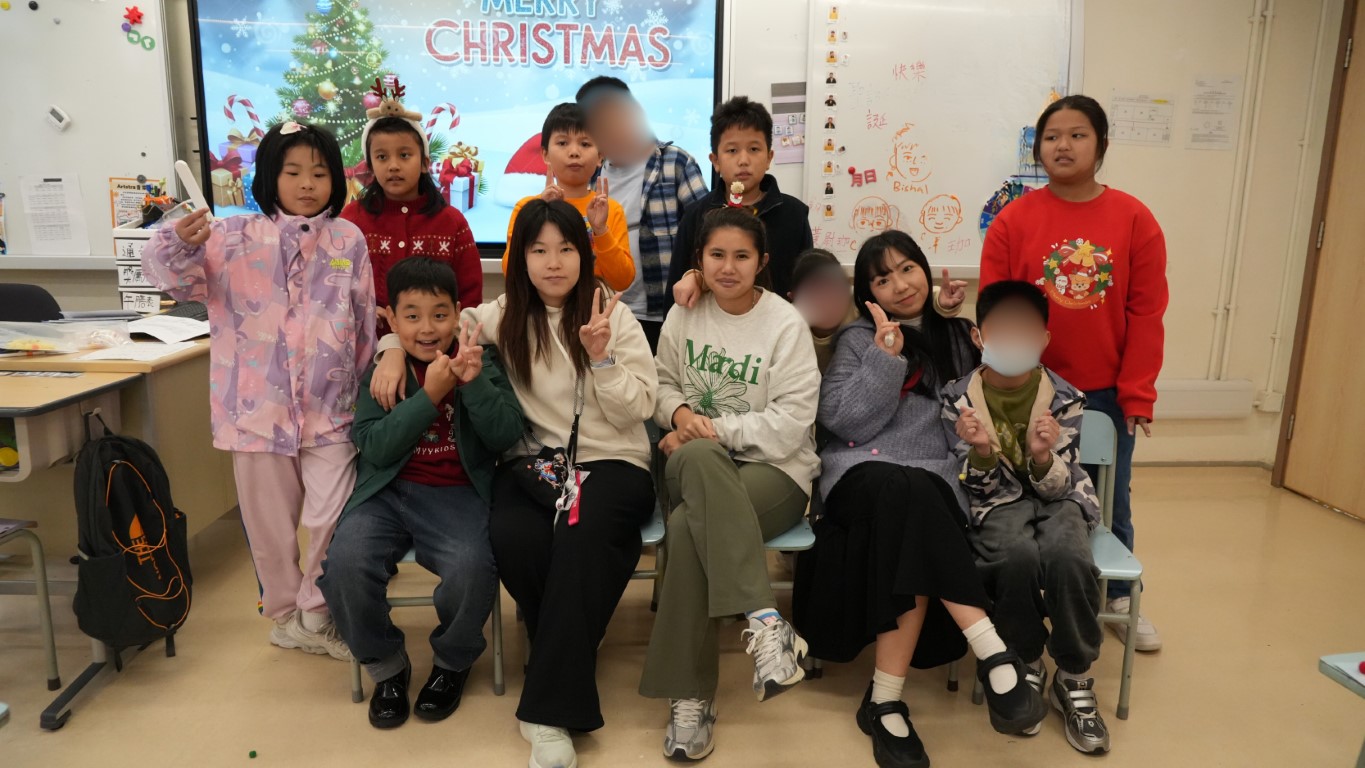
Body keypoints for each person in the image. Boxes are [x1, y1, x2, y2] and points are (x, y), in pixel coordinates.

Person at [793, 232, 1044, 768]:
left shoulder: (959, 337)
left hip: (933, 482)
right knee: (905, 489)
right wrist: (886, 358)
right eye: (882, 279)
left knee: (915, 498)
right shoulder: (858, 339)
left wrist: (976, 447)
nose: (900, 285)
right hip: (861, 477)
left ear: (925, 271)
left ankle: (885, 702)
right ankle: (991, 649)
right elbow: (845, 423)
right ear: (868, 294)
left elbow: (975, 418)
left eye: (907, 269)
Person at [141, 121, 375, 660]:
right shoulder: (230, 237)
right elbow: (169, 279)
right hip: (255, 413)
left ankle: (318, 610)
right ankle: (287, 616)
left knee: (333, 514)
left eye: (320, 172)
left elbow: (363, 318)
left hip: (331, 411)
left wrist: (359, 386)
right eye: (293, 172)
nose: (307, 183)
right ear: (270, 176)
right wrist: (177, 242)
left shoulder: (348, 239)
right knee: (269, 530)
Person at [470, 199, 657, 768]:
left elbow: (639, 409)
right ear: (520, 258)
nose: (553, 263)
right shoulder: (504, 314)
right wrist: (387, 349)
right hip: (536, 467)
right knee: (514, 535)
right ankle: (571, 639)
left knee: (579, 534)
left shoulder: (613, 315)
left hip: (614, 462)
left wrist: (601, 359)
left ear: (584, 254)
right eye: (539, 250)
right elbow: (438, 327)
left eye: (567, 249)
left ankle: (546, 713)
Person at [979, 94, 1168, 651]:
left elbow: (1147, 313)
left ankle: (1117, 596)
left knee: (1107, 497)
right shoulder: (1014, 220)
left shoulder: (1134, 219)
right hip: (1026, 387)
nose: (1063, 145)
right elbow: (994, 308)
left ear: (1101, 145)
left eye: (1078, 134)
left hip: (1104, 393)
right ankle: (1028, 590)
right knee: (1023, 493)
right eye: (1052, 136)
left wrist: (1137, 394)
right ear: (1038, 148)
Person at [640, 208, 819, 761]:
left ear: (762, 262)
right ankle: (765, 621)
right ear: (699, 259)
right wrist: (680, 417)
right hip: (691, 460)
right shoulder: (685, 313)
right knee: (698, 461)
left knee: (685, 528)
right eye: (716, 254)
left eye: (742, 256)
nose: (728, 267)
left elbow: (791, 423)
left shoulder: (785, 323)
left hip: (775, 470)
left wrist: (710, 430)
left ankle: (691, 698)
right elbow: (661, 383)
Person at [317, 258, 523, 730]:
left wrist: (473, 384)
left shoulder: (480, 360)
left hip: (457, 493)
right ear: (392, 319)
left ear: (458, 314)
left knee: (473, 567)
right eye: (412, 316)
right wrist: (427, 397)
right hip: (386, 493)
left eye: (440, 314)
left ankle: (452, 662)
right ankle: (387, 666)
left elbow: (506, 434)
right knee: (345, 565)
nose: (427, 328)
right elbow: (373, 445)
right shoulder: (384, 371)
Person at [941, 279, 1108, 754]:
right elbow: (975, 488)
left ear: (1044, 339)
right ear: (979, 336)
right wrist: (981, 452)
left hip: (1060, 497)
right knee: (1013, 557)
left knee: (1068, 557)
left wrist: (1040, 456)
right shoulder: (957, 399)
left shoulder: (1065, 397)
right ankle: (1024, 660)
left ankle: (1074, 674)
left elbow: (1060, 484)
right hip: (996, 501)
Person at [343, 81, 482, 411]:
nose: (393, 165)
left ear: (423, 162)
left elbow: (470, 297)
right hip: (369, 359)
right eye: (382, 157)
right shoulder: (351, 220)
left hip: (440, 358)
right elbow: (336, 279)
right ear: (369, 164)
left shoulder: (452, 222)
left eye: (404, 155)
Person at [577, 76, 710, 351]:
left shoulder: (675, 162)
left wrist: (698, 276)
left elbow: (710, 231)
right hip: (607, 314)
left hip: (668, 312)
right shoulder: (590, 176)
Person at [667, 97, 812, 309]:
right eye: (732, 150)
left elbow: (807, 287)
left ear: (769, 157)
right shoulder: (696, 215)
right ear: (715, 161)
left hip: (779, 325)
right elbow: (676, 293)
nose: (743, 160)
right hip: (711, 326)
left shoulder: (794, 214)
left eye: (754, 149)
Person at [501, 103, 635, 294]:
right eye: (563, 143)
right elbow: (511, 272)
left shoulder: (610, 210)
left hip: (594, 307)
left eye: (585, 144)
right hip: (539, 307)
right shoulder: (526, 208)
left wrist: (601, 231)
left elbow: (623, 281)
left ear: (600, 156)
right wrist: (540, 213)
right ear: (545, 154)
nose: (574, 152)